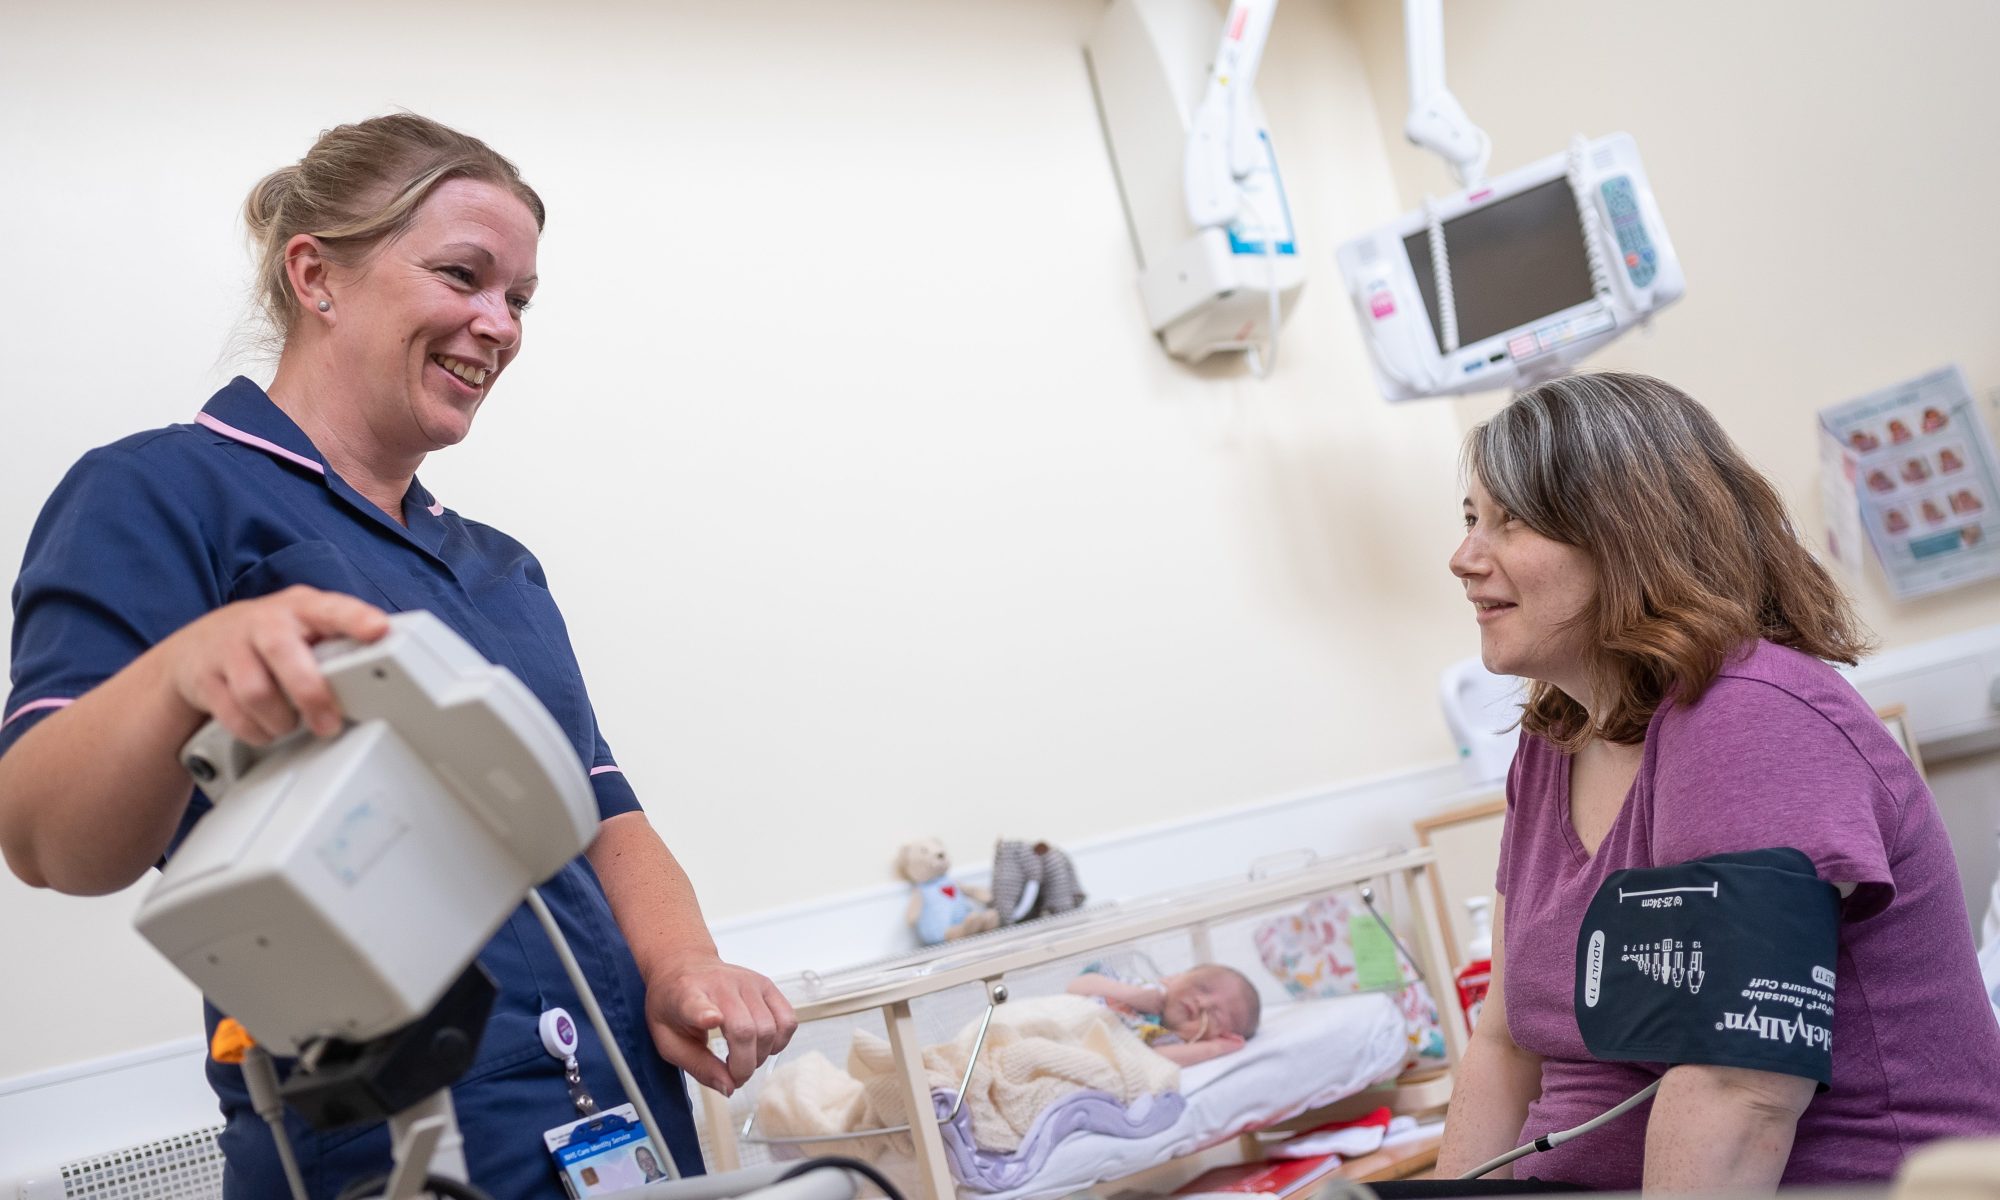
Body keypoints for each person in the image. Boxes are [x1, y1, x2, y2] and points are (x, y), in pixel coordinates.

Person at [0, 113, 796, 1199]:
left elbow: (600, 809)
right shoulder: (162, 493)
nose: (498, 324)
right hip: (384, 1144)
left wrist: (683, 966)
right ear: (316, 275)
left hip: (614, 1111)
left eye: (517, 299)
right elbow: (46, 839)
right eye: (464, 276)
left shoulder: (498, 567)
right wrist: (185, 669)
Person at [1431, 372, 2000, 1194]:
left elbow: (1741, 1093)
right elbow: (1506, 1044)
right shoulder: (1554, 738)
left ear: (1628, 533)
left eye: (1510, 521)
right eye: (1470, 519)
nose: (1463, 557)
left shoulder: (1752, 718)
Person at [1067, 962, 1261, 1066]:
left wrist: (1215, 1048)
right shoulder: (1140, 987)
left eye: (1216, 1015)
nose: (1202, 1003)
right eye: (1202, 988)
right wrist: (1131, 994)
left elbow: (1153, 1059)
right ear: (1175, 978)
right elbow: (1076, 987)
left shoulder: (1172, 1041)